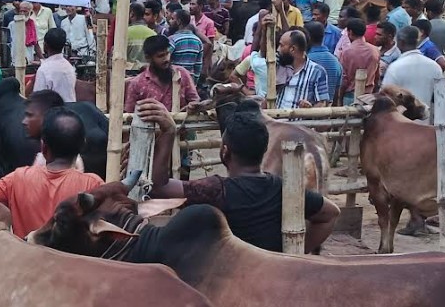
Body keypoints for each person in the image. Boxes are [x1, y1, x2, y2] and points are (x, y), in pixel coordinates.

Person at [140, 99, 339, 253]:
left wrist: (169, 131)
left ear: (224, 152)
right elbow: (330, 213)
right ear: (263, 151)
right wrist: (293, 253)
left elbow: (160, 187)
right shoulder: (282, 188)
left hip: (232, 281)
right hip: (272, 274)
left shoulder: (216, 191)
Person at [0, 107, 104, 238]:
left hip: (26, 256)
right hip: (71, 259)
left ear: (43, 147)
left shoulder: (17, 179)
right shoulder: (94, 184)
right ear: (83, 145)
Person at [124, 35, 199, 113]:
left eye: (167, 53)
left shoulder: (182, 74)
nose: (166, 59)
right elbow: (130, 114)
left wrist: (192, 107)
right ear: (148, 58)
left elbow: (194, 100)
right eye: (160, 56)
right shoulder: (137, 84)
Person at [382, 25, 443, 108]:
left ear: (401, 42)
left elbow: (385, 97)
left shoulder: (395, 67)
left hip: (400, 118)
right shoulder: (435, 67)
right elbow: (441, 98)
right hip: (426, 118)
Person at [275, 29, 331, 109]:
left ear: (292, 49)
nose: (278, 49)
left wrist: (309, 109)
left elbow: (322, 104)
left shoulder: (317, 72)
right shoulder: (279, 65)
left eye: (281, 45)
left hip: (300, 121)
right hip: (276, 119)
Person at [338, 18, 379, 104]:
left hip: (350, 96)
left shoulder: (347, 52)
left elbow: (344, 79)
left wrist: (340, 98)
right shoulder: (375, 50)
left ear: (350, 32)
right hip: (368, 96)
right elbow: (377, 76)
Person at [32, 28, 77, 101]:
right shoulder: (69, 67)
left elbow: (38, 100)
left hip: (53, 111)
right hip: (70, 110)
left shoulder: (44, 70)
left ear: (45, 46)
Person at [305, 21, 344, 104]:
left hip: (306, 111)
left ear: (306, 38)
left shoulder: (305, 60)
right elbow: (336, 94)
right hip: (327, 112)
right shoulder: (335, 62)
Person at [167, 9, 206, 81]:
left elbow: (165, 59)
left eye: (172, 19)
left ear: (179, 22)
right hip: (189, 80)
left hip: (173, 80)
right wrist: (194, 83)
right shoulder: (198, 41)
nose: (170, 21)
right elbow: (198, 65)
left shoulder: (172, 40)